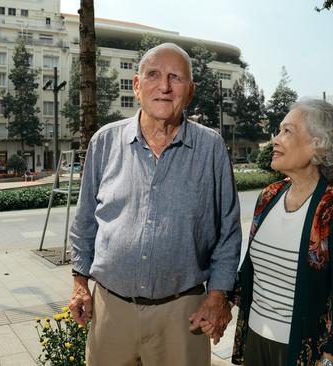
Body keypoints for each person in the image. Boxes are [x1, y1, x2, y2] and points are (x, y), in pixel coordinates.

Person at [68, 43, 241, 366]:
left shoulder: (211, 148)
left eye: (176, 78)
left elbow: (228, 233)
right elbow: (84, 223)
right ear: (136, 86)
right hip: (111, 309)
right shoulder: (105, 142)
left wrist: (218, 296)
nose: (164, 86)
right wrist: (80, 284)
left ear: (190, 91)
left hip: (182, 314)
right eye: (153, 75)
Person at [228, 100, 333, 366]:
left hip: (303, 353)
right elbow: (250, 270)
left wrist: (331, 359)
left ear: (319, 144)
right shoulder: (268, 197)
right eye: (279, 131)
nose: (275, 140)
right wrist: (219, 300)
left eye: (287, 131)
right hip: (256, 340)